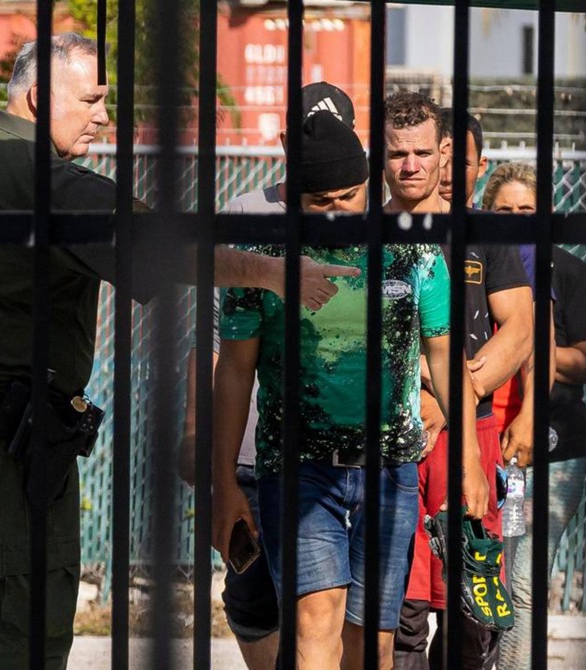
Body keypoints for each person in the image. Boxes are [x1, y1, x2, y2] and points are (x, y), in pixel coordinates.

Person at [0, 34, 356, 669]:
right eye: (92, 100)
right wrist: (272, 273)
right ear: (40, 97)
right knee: (15, 617)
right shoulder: (50, 182)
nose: (104, 116)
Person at [212, 111, 489, 670]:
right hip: (297, 467)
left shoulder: (413, 254)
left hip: (390, 469)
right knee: (317, 622)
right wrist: (222, 480)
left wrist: (470, 462)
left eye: (350, 196)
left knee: (372, 645)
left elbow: (444, 358)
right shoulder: (262, 263)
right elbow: (235, 371)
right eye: (321, 202)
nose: (338, 210)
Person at [179, 81, 359, 670]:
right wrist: (198, 439)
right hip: (254, 450)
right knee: (251, 591)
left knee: (327, 607)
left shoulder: (366, 213)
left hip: (342, 454)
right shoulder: (245, 216)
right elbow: (210, 345)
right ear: (284, 142)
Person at [385, 99, 533, 670]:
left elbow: (518, 332)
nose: (440, 167)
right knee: (402, 608)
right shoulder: (385, 230)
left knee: (472, 605)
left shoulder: (488, 235)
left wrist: (451, 404)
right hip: (397, 434)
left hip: (472, 435)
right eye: (423, 153)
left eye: (451, 156)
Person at [483, 163, 586, 670]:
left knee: (526, 578)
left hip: (552, 450)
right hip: (486, 442)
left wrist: (543, 354)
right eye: (503, 210)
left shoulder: (566, 270)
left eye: (525, 210)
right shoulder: (474, 266)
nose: (514, 219)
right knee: (488, 577)